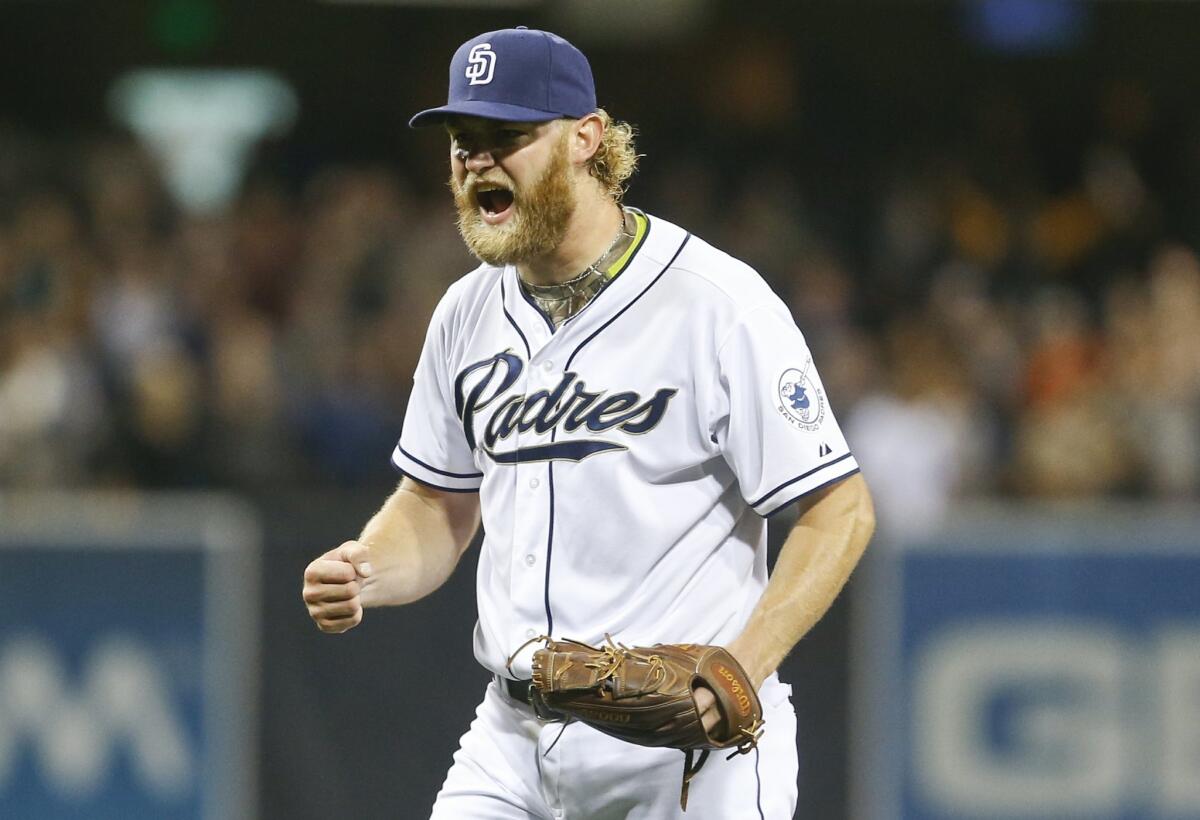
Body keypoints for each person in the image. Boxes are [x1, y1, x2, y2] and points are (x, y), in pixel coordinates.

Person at [303, 26, 875, 819]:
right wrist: (368, 566)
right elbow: (437, 504)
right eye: (464, 141)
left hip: (690, 754)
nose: (477, 160)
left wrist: (743, 667)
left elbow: (839, 509)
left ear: (586, 139)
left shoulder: (717, 303)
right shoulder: (465, 312)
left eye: (508, 136)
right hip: (513, 735)